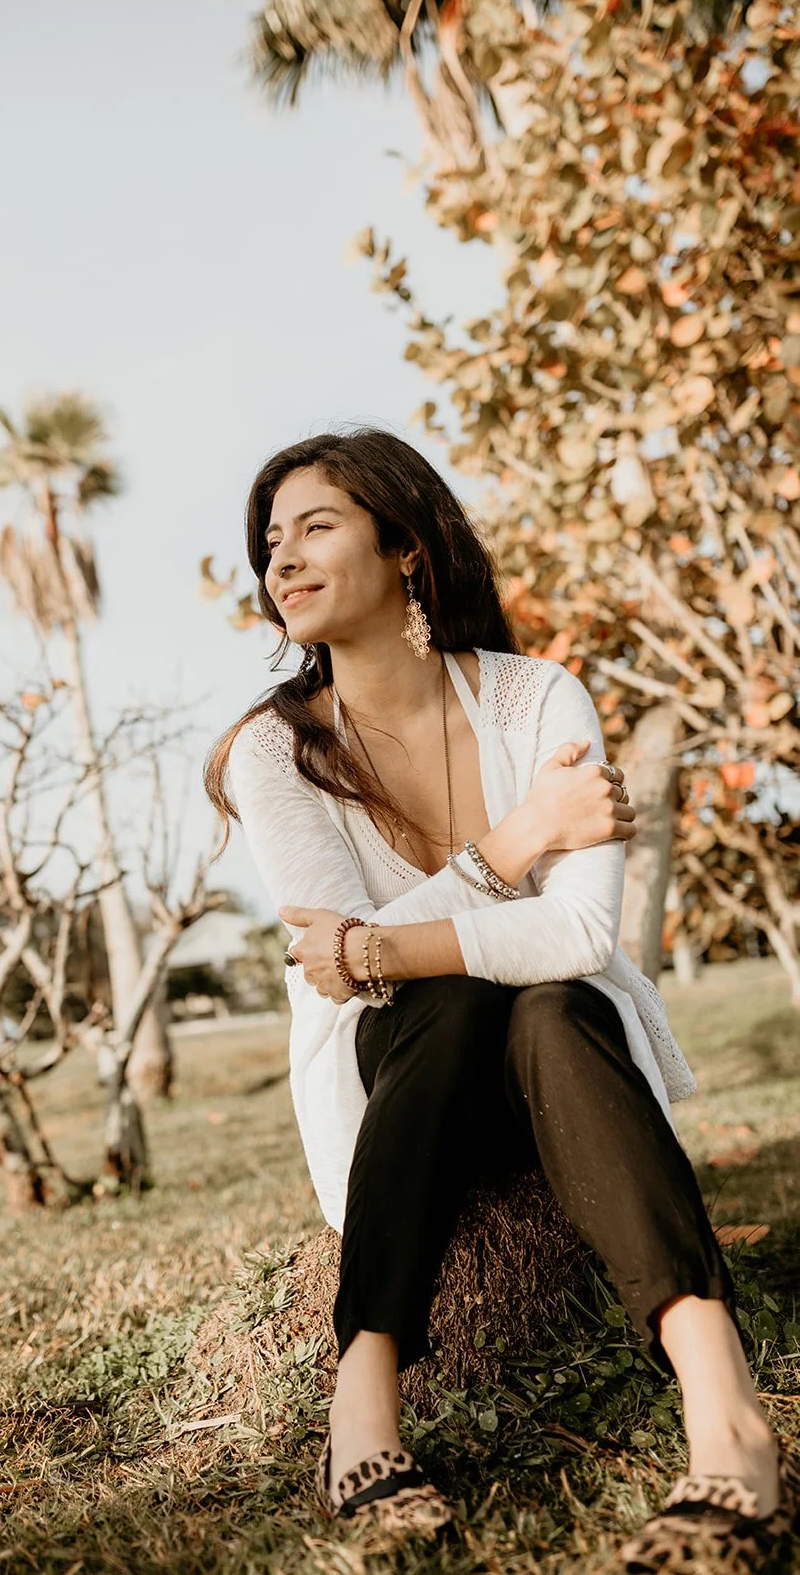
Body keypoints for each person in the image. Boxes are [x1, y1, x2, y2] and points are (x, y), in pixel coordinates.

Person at [203, 429, 796, 1569]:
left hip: (559, 1060)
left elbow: (573, 936)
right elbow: (343, 972)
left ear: (405, 547)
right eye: (269, 542)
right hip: (403, 1074)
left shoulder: (535, 699)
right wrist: (517, 840)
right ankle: (361, 1411)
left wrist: (385, 945)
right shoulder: (273, 752)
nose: (282, 561)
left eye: (316, 526)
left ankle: (724, 1417)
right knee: (456, 997)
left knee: (543, 1000)